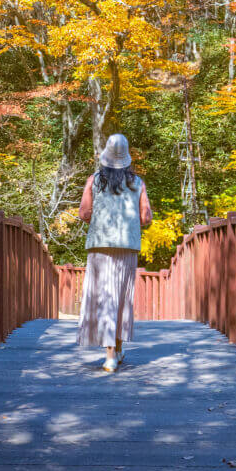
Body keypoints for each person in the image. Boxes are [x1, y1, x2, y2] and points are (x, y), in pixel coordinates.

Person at [76, 132, 153, 372]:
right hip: (127, 246)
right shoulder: (137, 183)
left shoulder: (94, 181)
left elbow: (84, 214)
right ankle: (116, 349)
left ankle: (110, 354)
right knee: (121, 297)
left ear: (105, 157)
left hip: (100, 246)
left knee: (106, 296)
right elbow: (146, 218)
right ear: (127, 158)